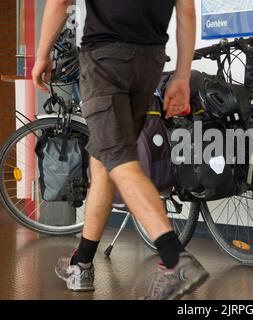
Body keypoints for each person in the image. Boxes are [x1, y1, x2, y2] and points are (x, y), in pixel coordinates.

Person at [32, 0, 208, 300]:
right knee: (104, 161)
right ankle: (82, 263)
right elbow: (187, 10)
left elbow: (60, 2)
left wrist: (42, 55)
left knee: (118, 159)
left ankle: (175, 258)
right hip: (150, 60)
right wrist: (181, 75)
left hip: (106, 59)